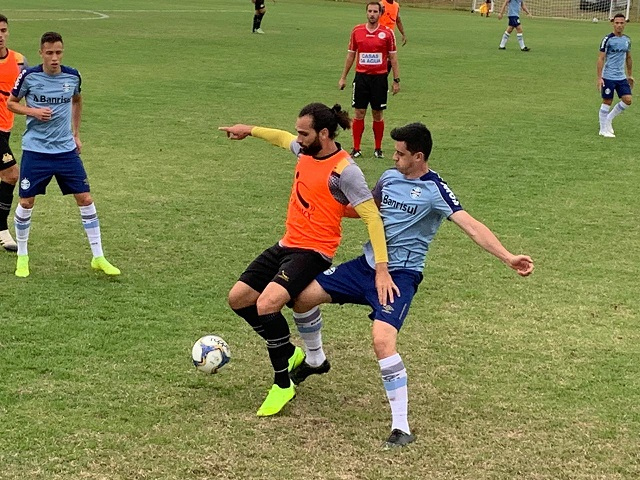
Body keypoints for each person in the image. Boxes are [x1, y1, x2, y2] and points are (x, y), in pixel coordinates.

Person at [289, 122, 534, 448]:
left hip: (400, 276)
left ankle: (401, 427)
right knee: (301, 299)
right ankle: (316, 359)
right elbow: (368, 209)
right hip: (368, 265)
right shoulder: (389, 178)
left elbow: (472, 226)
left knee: (382, 341)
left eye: (401, 154)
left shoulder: (435, 190)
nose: (394, 158)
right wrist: (336, 199)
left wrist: (508, 256)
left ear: (419, 156)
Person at [218, 102, 396, 417]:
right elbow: (280, 137)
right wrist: (248, 130)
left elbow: (372, 218)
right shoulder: (305, 152)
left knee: (267, 304)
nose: (298, 138)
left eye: (304, 133)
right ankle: (289, 351)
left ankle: (283, 383)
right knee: (239, 298)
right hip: (287, 244)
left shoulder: (345, 171)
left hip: (314, 251)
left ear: (323, 134)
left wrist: (381, 269)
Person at [7, 31, 120, 278]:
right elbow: (11, 103)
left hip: (65, 151)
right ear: (41, 53)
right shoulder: (29, 75)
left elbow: (77, 100)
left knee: (86, 199)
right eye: (50, 53)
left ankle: (98, 257)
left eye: (58, 52)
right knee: (26, 202)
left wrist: (76, 134)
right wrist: (33, 111)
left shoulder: (72, 76)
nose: (55, 58)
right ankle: (23, 256)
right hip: (36, 150)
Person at [339, 2, 400, 160]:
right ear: (366, 13)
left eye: (375, 11)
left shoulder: (387, 33)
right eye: (370, 11)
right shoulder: (357, 31)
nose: (372, 14)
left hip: (379, 78)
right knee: (359, 112)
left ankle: (378, 148)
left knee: (377, 114)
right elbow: (351, 55)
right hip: (361, 78)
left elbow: (393, 57)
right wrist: (343, 77)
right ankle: (356, 148)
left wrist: (396, 80)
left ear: (380, 13)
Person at [0, 14, 27, 252]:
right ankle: (1, 230)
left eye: (3, 30)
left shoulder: (19, 61)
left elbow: (32, 86)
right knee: (11, 174)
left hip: (6, 127)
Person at [597, 13, 633, 138]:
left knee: (628, 100)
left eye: (621, 23)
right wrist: (599, 77)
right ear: (613, 23)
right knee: (607, 100)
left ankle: (609, 119)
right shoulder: (607, 39)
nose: (619, 25)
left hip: (621, 76)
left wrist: (630, 75)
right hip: (608, 76)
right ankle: (602, 129)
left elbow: (628, 57)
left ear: (625, 24)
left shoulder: (627, 40)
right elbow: (601, 58)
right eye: (617, 23)